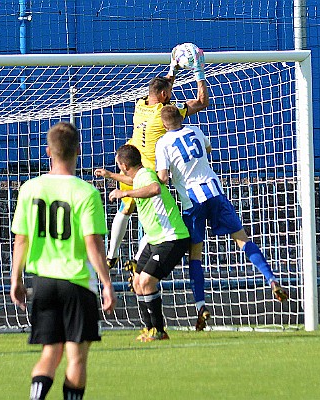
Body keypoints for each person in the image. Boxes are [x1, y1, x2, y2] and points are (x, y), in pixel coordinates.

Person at [156, 105, 288, 331]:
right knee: (242, 239)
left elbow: (164, 177)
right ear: (180, 117)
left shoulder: (163, 143)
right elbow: (208, 149)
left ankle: (201, 306)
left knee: (195, 255)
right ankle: (270, 278)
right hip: (215, 191)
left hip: (192, 201)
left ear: (164, 124)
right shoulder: (196, 130)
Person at [10, 122, 117, 400]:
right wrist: (107, 283)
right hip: (77, 282)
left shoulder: (30, 188)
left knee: (50, 352)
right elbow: (93, 243)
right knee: (76, 358)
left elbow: (20, 239)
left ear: (48, 151)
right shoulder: (87, 193)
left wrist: (15, 280)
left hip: (43, 282)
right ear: (78, 151)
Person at [101, 44, 209, 269]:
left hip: (130, 163)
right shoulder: (165, 113)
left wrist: (173, 67)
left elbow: (161, 87)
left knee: (126, 209)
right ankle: (138, 258)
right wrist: (198, 73)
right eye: (168, 94)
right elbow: (201, 103)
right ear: (164, 96)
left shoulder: (140, 103)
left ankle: (111, 255)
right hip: (150, 171)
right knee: (158, 220)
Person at [97, 144, 190, 341]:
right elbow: (132, 180)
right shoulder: (139, 176)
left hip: (171, 238)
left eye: (117, 166)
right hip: (156, 239)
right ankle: (149, 329)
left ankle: (159, 330)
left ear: (123, 164)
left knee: (147, 281)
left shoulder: (146, 177)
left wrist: (125, 193)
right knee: (137, 282)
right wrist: (111, 175)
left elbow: (155, 188)